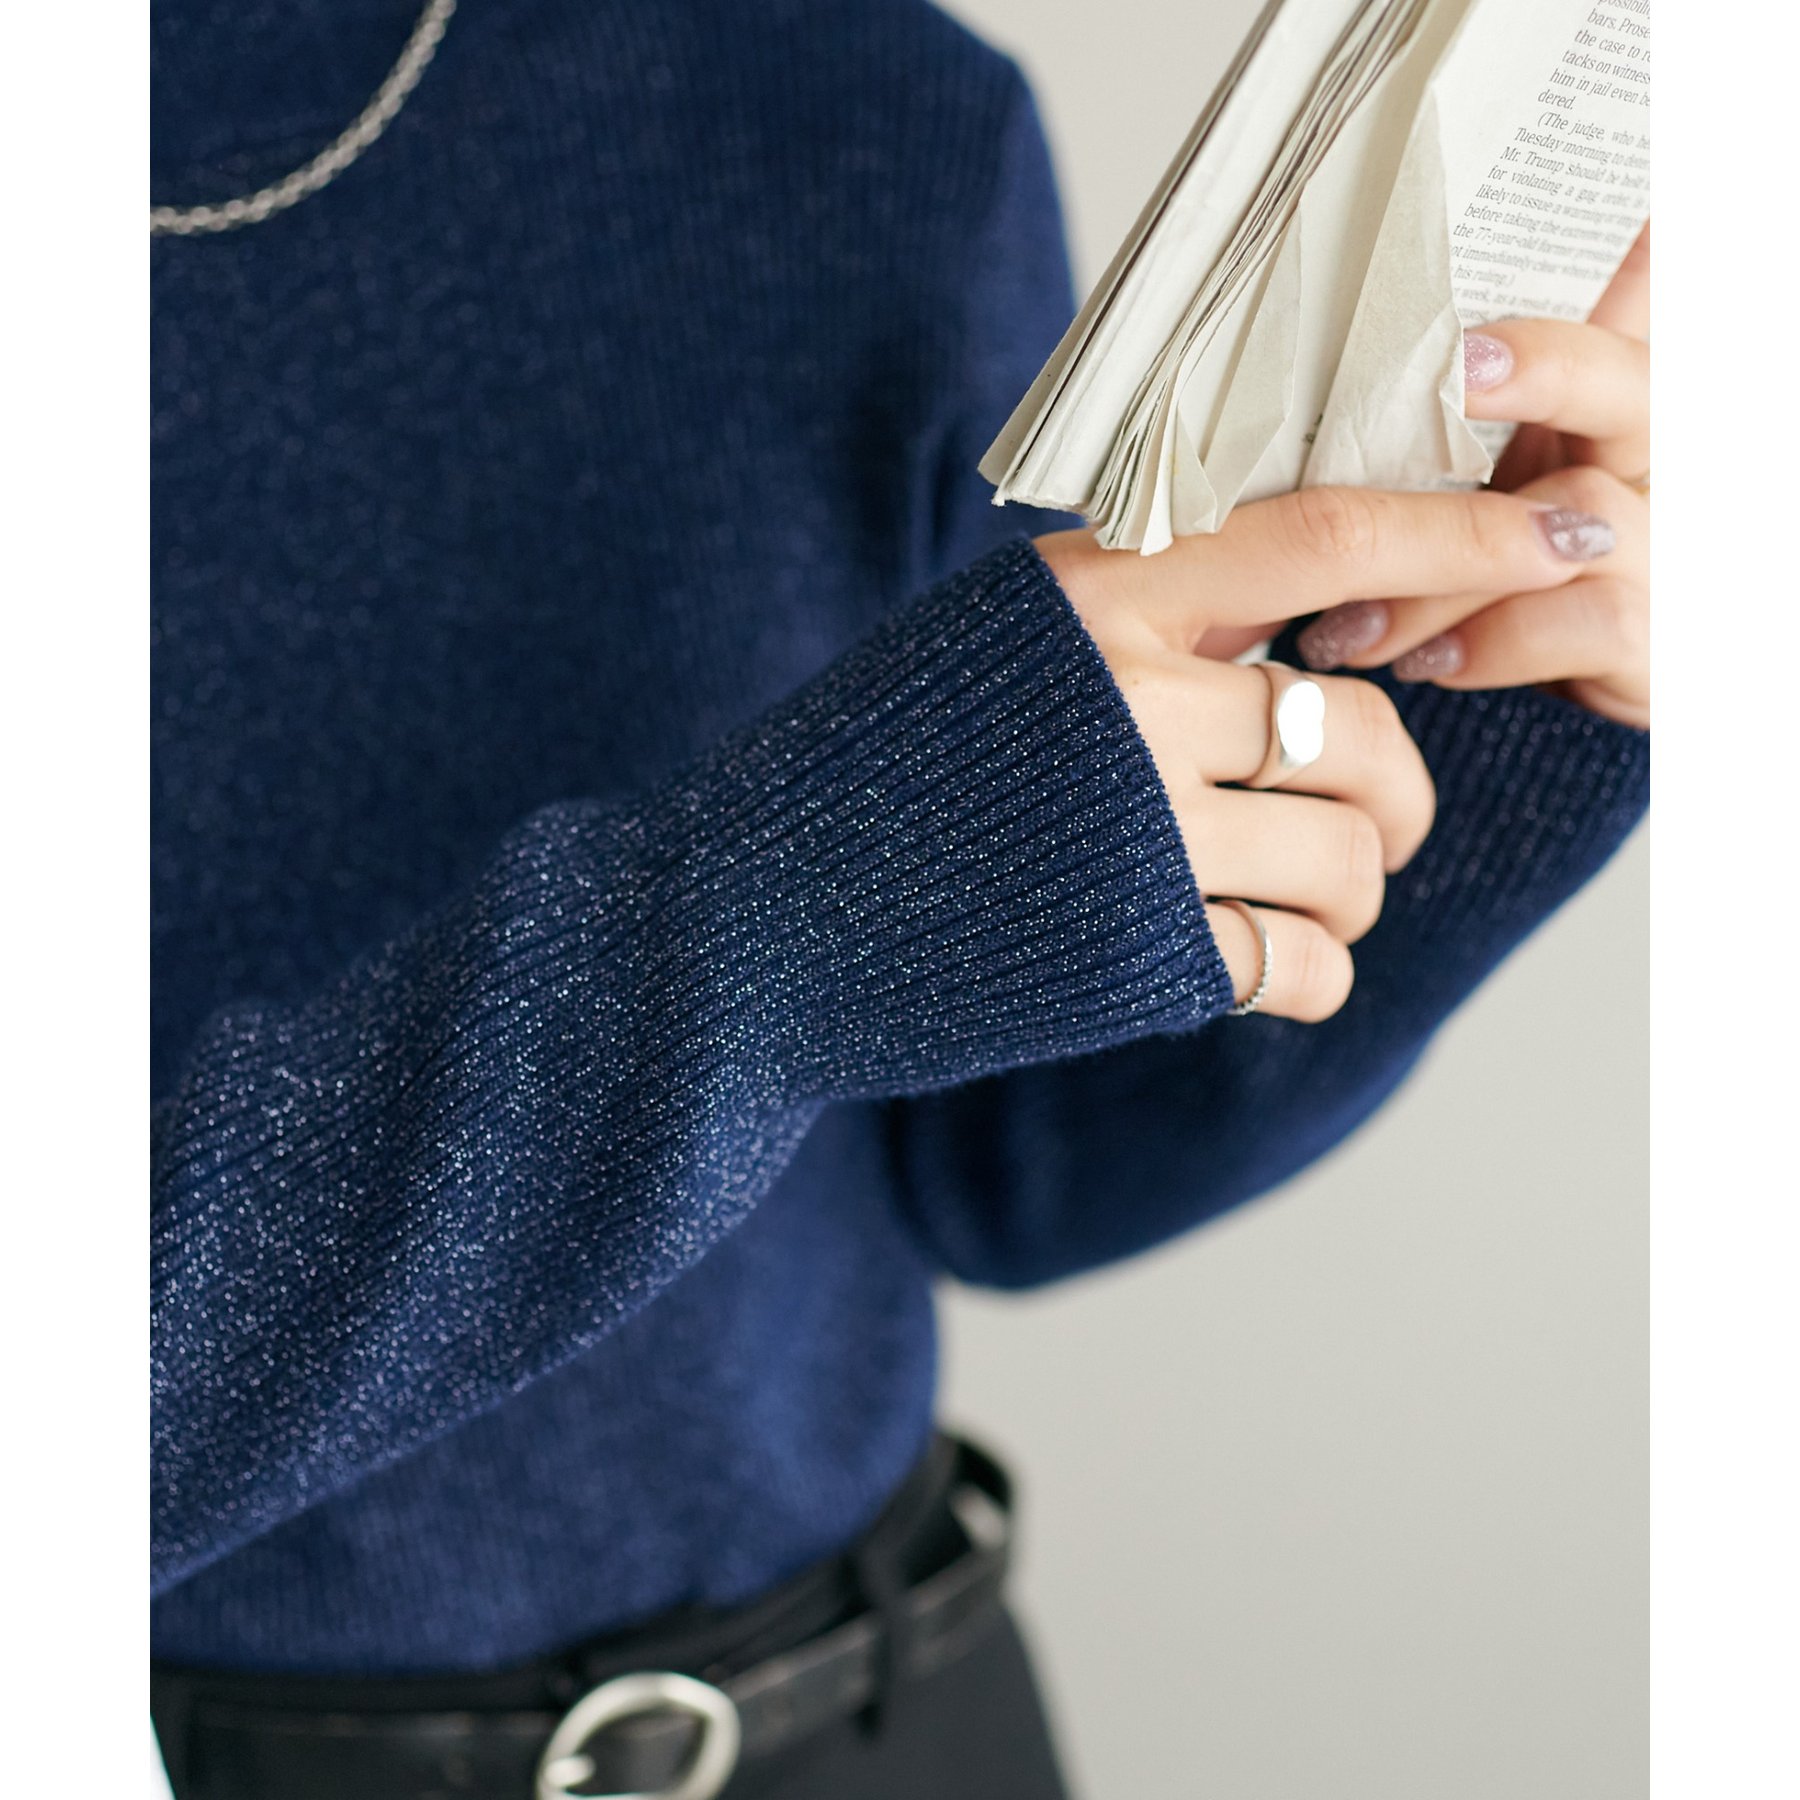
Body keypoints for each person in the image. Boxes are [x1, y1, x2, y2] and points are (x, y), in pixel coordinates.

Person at [149, 0, 1649, 1794]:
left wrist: (1499, 688)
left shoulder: (857, 106)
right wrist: (765, 932)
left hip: (888, 1718)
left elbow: (1006, 1160)